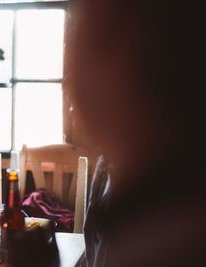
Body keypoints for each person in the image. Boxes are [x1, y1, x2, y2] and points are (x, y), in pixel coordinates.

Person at [66, 0, 206, 266]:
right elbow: (92, 255)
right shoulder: (111, 166)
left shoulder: (171, 238)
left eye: (93, 42)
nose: (68, 84)